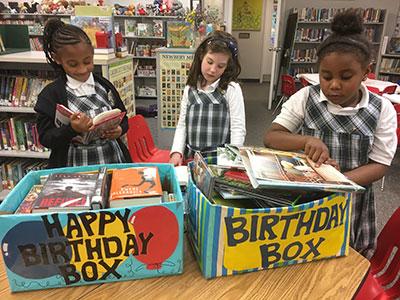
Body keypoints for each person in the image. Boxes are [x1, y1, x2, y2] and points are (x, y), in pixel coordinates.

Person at [264, 9, 397, 258]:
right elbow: (272, 136)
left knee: (345, 266)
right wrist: (305, 140)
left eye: (346, 77)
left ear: (366, 72)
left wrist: (338, 182)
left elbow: (380, 164)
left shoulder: (382, 109)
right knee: (301, 256)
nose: (334, 85)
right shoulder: (306, 97)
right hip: (308, 200)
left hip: (352, 203)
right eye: (326, 76)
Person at [34, 18, 131, 168]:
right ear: (57, 59)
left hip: (112, 160)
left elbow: (123, 116)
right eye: (73, 64)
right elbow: (46, 138)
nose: (82, 70)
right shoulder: (50, 95)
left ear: (92, 53)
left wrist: (119, 129)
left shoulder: (104, 86)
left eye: (87, 62)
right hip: (74, 166)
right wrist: (71, 129)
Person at [169, 31, 246, 166]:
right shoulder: (190, 88)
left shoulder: (231, 89)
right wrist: (176, 152)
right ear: (201, 56)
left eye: (220, 66)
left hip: (221, 160)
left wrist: (233, 159)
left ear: (227, 66)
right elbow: (182, 125)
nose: (212, 70)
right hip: (192, 157)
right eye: (209, 62)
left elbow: (238, 127)